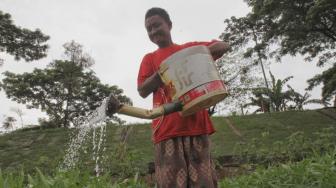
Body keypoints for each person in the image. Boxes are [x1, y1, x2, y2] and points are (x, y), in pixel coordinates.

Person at [137, 7, 230, 188]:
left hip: (197, 126)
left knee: (203, 183)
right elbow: (142, 90)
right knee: (170, 183)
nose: (153, 31)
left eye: (157, 25)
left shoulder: (189, 49)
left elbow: (224, 45)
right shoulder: (149, 59)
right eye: (149, 29)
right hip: (167, 129)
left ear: (169, 25)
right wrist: (159, 75)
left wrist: (198, 54)